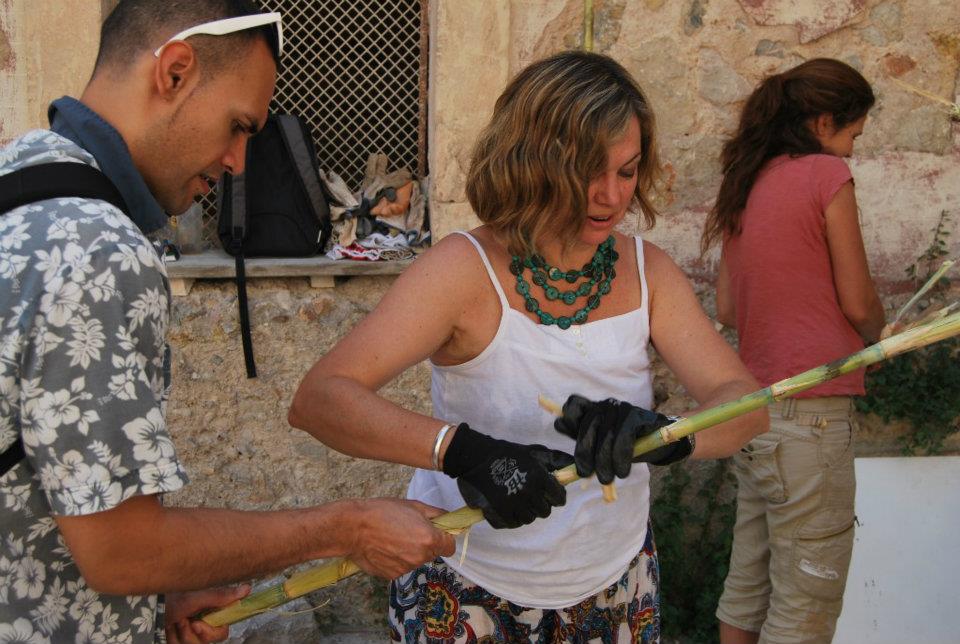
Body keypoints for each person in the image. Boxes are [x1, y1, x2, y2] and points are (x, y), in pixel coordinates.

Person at [0, 2, 454, 643]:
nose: (238, 162)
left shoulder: (25, 180)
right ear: (175, 72)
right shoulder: (98, 249)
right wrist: (347, 527)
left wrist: (146, 603)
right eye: (239, 127)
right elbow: (122, 552)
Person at [289, 50, 768, 643]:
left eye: (626, 172)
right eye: (588, 171)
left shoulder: (651, 273)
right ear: (533, 161)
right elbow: (320, 399)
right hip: (470, 587)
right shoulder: (461, 270)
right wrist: (464, 453)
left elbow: (747, 405)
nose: (611, 196)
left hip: (616, 585)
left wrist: (670, 435)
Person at [702, 58, 887, 644]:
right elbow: (858, 301)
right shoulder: (826, 175)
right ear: (825, 122)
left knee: (748, 584)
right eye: (854, 134)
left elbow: (728, 308)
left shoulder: (747, 181)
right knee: (805, 601)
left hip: (755, 411)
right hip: (813, 417)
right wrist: (879, 331)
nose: (852, 150)